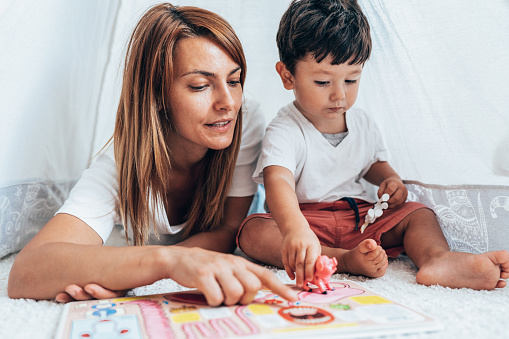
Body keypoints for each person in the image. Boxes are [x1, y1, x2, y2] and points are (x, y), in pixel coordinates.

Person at [8, 3, 298, 306]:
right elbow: (25, 272)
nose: (228, 102)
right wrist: (162, 262)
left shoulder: (244, 119)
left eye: (234, 81)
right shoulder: (120, 165)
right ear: (157, 94)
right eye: (200, 86)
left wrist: (129, 271)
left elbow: (228, 227)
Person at [237, 0, 509, 291]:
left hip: (361, 220)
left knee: (419, 214)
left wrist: (390, 181)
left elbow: (374, 164)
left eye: (351, 79)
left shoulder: (363, 123)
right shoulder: (285, 129)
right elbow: (277, 180)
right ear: (287, 76)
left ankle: (437, 259)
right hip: (307, 223)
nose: (339, 95)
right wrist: (294, 229)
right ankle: (342, 261)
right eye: (322, 82)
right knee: (252, 232)